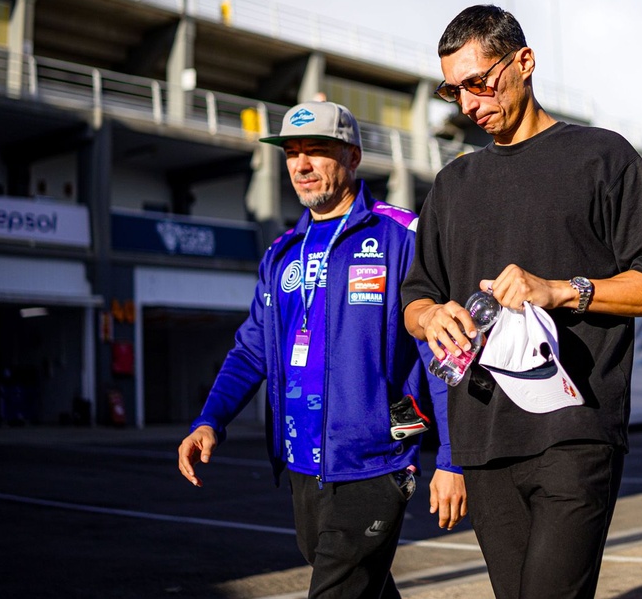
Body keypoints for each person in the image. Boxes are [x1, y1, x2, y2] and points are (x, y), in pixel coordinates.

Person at [401, 5, 642, 598]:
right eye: (454, 91)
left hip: (574, 427)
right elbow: (416, 299)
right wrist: (431, 317)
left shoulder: (602, 157)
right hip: (482, 436)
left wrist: (562, 289)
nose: (469, 104)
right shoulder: (453, 185)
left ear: (525, 62)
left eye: (479, 83)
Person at [178, 100, 466, 599]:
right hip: (301, 464)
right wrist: (210, 419)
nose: (302, 165)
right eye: (292, 153)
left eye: (316, 150)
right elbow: (251, 350)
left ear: (353, 156)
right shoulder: (280, 253)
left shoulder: (401, 236)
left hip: (376, 461)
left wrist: (453, 459)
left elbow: (440, 352)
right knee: (361, 585)